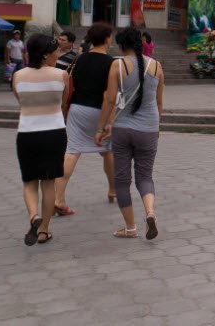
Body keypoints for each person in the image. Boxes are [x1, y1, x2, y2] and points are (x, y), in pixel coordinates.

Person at [96, 27, 164, 240]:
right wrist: (156, 126)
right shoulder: (157, 66)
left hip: (123, 129)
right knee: (145, 176)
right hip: (149, 128)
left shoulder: (117, 64)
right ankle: (150, 212)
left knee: (122, 180)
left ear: (121, 45)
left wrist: (102, 127)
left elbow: (109, 99)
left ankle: (131, 228)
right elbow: (159, 102)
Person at [53, 23, 116, 215]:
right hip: (99, 110)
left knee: (71, 150)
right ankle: (113, 189)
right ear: (106, 39)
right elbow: (110, 96)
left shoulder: (78, 59)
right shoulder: (112, 63)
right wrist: (108, 122)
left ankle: (58, 198)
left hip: (77, 108)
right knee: (108, 150)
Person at [13, 34, 69, 245]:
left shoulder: (18, 76)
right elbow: (64, 102)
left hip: (27, 134)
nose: (58, 53)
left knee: (29, 181)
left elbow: (21, 101)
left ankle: (33, 216)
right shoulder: (61, 75)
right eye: (56, 50)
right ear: (46, 54)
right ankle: (44, 230)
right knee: (48, 183)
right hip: (54, 133)